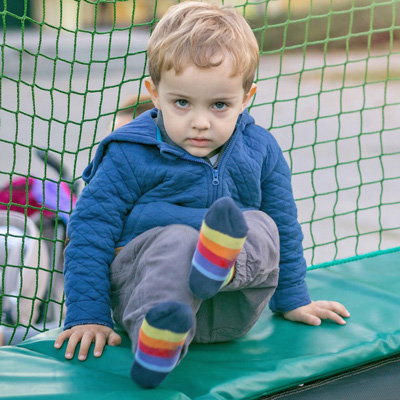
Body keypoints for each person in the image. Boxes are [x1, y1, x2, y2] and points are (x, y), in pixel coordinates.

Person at [55, 1, 350, 389]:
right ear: (154, 93)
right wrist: (87, 314)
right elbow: (90, 230)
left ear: (246, 98)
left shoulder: (260, 149)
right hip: (151, 299)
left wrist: (294, 297)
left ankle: (219, 268)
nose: (200, 122)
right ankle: (156, 343)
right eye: (182, 103)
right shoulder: (128, 153)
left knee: (261, 225)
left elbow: (285, 226)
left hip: (232, 308)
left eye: (219, 105)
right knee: (178, 239)